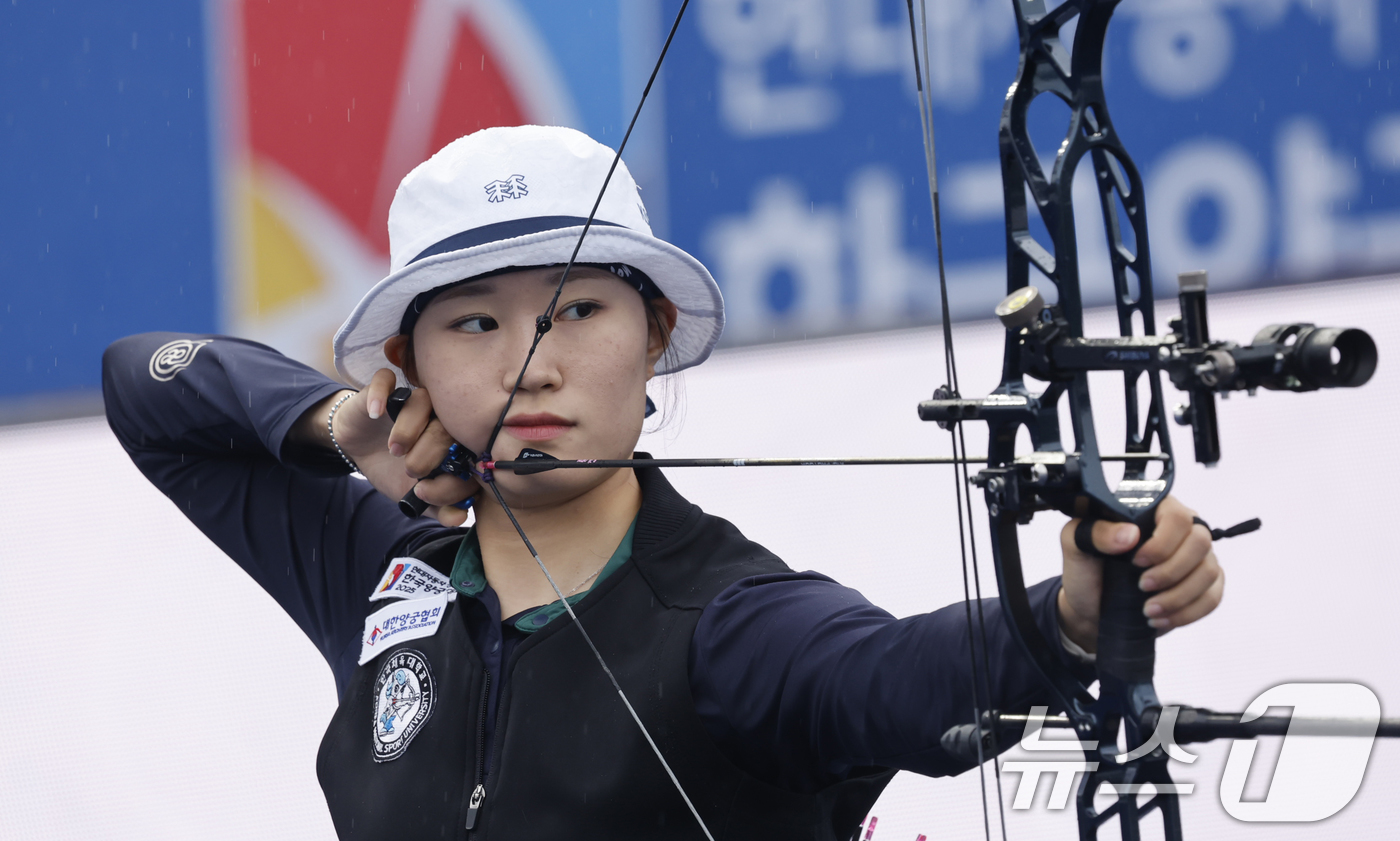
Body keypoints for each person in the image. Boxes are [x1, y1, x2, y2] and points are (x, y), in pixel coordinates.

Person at [102, 126, 1223, 840]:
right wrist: (340, 422)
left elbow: (900, 676)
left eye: (577, 310)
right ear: (413, 368)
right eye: (473, 322)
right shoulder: (382, 571)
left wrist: (1075, 612)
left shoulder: (730, 629)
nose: (528, 361)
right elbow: (150, 391)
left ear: (655, 338)